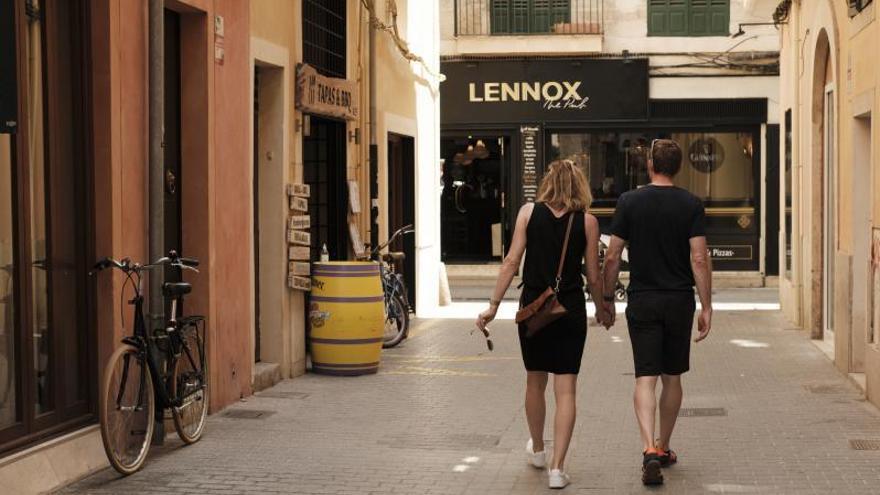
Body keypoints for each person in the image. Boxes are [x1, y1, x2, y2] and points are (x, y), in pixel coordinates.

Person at [475, 159, 609, 490]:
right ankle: (557, 469)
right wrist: (602, 307)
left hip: (534, 308)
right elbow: (592, 275)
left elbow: (511, 262)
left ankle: (537, 449)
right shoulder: (588, 222)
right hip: (570, 308)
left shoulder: (527, 213)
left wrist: (493, 305)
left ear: (548, 183)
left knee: (535, 382)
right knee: (566, 390)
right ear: (579, 186)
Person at [601, 139, 713, 485]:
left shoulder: (629, 201)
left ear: (651, 165)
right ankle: (664, 446)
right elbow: (699, 257)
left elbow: (613, 253)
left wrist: (606, 297)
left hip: (644, 300)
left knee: (645, 378)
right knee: (673, 377)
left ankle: (648, 447)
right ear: (678, 167)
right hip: (679, 300)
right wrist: (707, 305)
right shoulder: (691, 204)